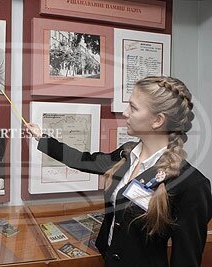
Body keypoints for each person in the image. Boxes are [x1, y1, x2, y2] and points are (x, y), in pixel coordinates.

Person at [26, 76, 212, 267]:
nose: (125, 113)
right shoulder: (127, 153)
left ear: (157, 120)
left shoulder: (191, 185)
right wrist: (42, 138)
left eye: (133, 107)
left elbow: (186, 260)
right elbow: (85, 160)